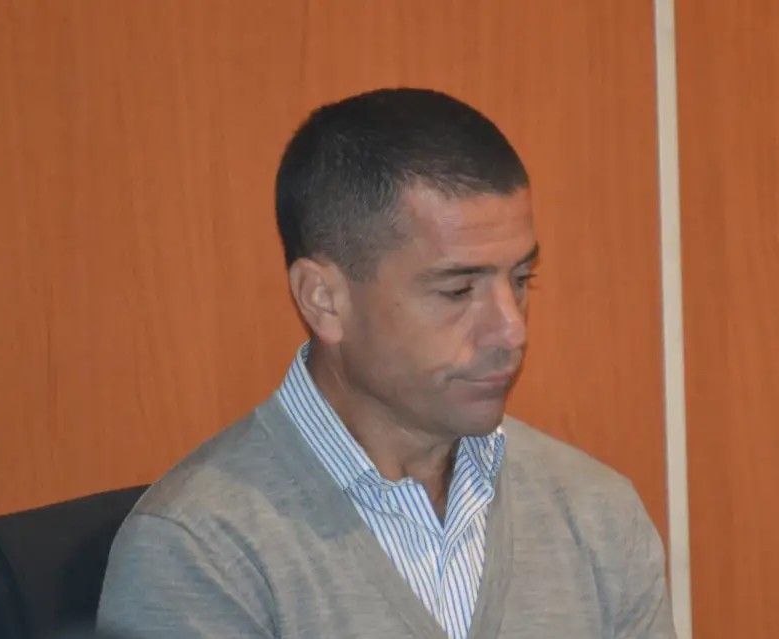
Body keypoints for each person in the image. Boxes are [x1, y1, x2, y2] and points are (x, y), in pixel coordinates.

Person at [97, 88, 676, 639]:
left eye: (521, 280)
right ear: (324, 300)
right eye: (457, 291)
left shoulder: (597, 515)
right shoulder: (199, 550)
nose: (512, 331)